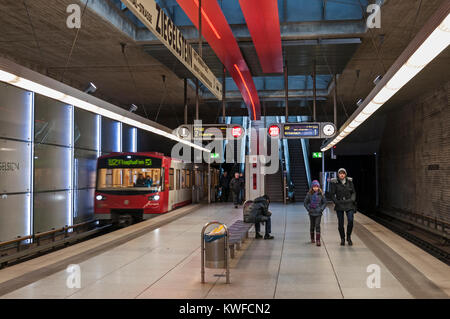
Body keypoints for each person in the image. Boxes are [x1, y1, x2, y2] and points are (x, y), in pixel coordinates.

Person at [329, 168, 357, 246]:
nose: (342, 174)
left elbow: (353, 192)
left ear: (345, 174)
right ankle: (342, 238)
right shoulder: (335, 183)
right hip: (340, 204)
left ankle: (348, 236)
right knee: (340, 223)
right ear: (338, 174)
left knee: (350, 220)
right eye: (340, 173)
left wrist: (352, 199)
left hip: (349, 203)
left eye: (343, 173)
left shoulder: (350, 182)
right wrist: (336, 202)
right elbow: (332, 194)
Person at [304, 180, 327, 246]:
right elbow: (305, 203)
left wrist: (321, 209)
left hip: (318, 213)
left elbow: (325, 203)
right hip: (311, 213)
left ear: (319, 187)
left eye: (317, 187)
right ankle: (312, 238)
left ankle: (318, 240)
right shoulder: (309, 194)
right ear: (312, 187)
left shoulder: (321, 194)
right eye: (314, 187)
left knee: (317, 225)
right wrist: (308, 209)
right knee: (312, 225)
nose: (315, 188)